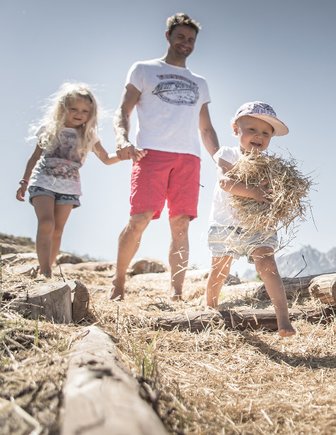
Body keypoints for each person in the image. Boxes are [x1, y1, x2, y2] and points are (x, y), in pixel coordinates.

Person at [110, 12, 220, 301]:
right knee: (139, 218)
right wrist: (121, 139)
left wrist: (220, 159)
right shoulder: (144, 69)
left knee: (181, 223)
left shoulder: (200, 82)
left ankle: (176, 291)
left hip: (188, 158)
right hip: (151, 153)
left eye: (191, 40)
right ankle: (118, 282)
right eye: (181, 37)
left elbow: (206, 127)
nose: (186, 43)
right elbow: (123, 110)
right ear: (168, 36)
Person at [205, 101, 296, 337]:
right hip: (226, 224)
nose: (259, 136)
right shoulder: (227, 154)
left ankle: (283, 321)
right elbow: (225, 183)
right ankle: (209, 308)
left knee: (268, 267)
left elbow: (278, 195)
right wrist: (255, 193)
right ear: (236, 130)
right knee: (220, 270)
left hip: (258, 226)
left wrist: (279, 203)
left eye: (266, 133)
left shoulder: (270, 166)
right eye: (252, 130)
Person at [16, 83, 123, 278]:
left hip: (69, 186)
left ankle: (47, 266)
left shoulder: (88, 136)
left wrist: (125, 155)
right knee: (46, 223)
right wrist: (24, 181)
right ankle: (46, 272)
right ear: (62, 108)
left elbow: (107, 159)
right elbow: (34, 157)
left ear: (90, 114)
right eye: (73, 108)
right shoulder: (49, 129)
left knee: (57, 229)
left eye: (84, 111)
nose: (78, 114)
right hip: (43, 181)